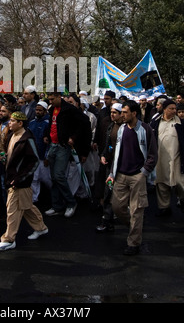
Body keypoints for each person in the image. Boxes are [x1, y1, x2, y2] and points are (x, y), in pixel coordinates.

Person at [106, 100, 158, 255]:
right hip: (121, 175)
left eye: (125, 112)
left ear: (134, 113)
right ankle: (136, 227)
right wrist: (112, 173)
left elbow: (153, 154)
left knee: (136, 210)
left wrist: (144, 172)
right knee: (117, 207)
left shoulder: (146, 130)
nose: (122, 115)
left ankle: (133, 243)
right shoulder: (121, 129)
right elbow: (116, 153)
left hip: (137, 176)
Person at [0, 111, 48, 251]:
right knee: (26, 205)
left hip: (19, 181)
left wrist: (20, 178)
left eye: (12, 121)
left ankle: (9, 239)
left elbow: (34, 161)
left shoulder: (27, 139)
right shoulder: (13, 135)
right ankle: (41, 228)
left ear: (20, 123)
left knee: (12, 209)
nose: (9, 123)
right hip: (13, 178)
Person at [44, 89, 91, 218]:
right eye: (49, 99)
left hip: (63, 146)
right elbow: (52, 125)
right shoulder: (51, 110)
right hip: (52, 145)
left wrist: (73, 137)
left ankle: (71, 202)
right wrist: (47, 135)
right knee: (54, 177)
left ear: (59, 96)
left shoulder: (69, 109)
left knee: (59, 175)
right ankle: (57, 206)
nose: (51, 101)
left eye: (53, 99)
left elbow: (84, 122)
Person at [150, 98, 184, 217]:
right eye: (171, 108)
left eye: (175, 109)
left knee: (180, 183)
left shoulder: (180, 123)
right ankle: (164, 207)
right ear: (164, 109)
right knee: (161, 183)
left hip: (177, 158)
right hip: (160, 159)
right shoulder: (156, 122)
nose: (174, 111)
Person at [96, 102, 124, 232]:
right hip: (111, 166)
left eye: (115, 113)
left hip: (124, 167)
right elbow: (107, 144)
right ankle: (107, 220)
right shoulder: (111, 126)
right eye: (111, 112)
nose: (112, 115)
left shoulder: (126, 128)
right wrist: (103, 155)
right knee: (108, 192)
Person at [29, 101, 52, 204]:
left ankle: (53, 196)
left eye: (40, 110)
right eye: (36, 110)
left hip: (43, 156)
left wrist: (47, 156)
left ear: (45, 111)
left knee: (47, 179)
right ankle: (34, 198)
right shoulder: (32, 123)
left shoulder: (48, 123)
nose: (37, 112)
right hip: (34, 155)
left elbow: (49, 142)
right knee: (34, 178)